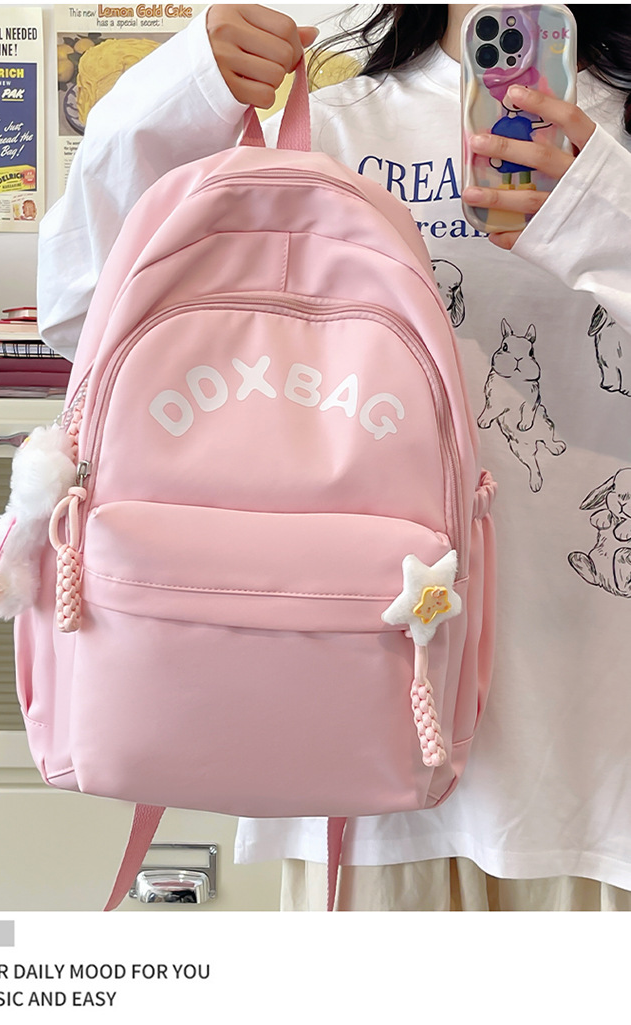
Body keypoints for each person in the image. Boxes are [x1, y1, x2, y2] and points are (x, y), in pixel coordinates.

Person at [37, 5, 631, 910]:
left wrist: (602, 215)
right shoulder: (327, 130)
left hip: (599, 756)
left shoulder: (611, 135)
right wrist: (171, 101)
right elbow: (81, 316)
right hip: (352, 724)